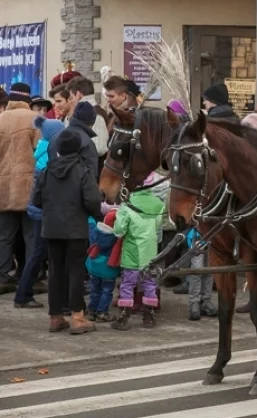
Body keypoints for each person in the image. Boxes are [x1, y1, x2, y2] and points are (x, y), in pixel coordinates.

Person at [33, 129, 102, 334]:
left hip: (51, 229)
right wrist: (96, 214)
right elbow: (92, 201)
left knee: (55, 272)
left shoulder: (46, 171)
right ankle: (78, 317)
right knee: (76, 272)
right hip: (76, 229)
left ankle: (55, 317)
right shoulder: (83, 171)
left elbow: (36, 200)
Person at [14, 115, 65, 309]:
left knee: (38, 253)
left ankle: (23, 295)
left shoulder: (44, 150)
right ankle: (23, 295)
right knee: (37, 254)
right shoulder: (48, 158)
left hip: (37, 211)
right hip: (43, 212)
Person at [111, 174, 166, 330]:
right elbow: (157, 227)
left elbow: (119, 231)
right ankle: (148, 316)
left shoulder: (127, 205)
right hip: (151, 252)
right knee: (149, 283)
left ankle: (124, 317)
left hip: (132, 252)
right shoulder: (158, 204)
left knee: (127, 284)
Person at [0, 84, 40, 291]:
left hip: (4, 188)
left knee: (4, 235)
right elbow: (41, 153)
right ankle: (30, 277)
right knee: (31, 235)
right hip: (29, 187)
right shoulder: (34, 120)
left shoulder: (1, 119)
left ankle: (3, 275)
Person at [48, 101, 100, 178]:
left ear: (74, 117)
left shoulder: (55, 138)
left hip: (52, 187)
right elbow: (91, 176)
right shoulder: (88, 143)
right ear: (92, 122)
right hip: (77, 189)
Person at [85, 209, 120, 322]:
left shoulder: (96, 231)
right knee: (106, 291)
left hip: (94, 266)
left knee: (95, 289)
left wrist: (89, 216)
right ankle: (102, 312)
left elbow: (90, 224)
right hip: (108, 269)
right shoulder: (117, 237)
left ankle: (91, 310)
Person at [65, 76, 109, 159]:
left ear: (78, 95)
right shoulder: (79, 113)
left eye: (71, 97)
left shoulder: (97, 115)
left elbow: (100, 148)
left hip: (91, 169)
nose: (70, 101)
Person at [184, 227, 217, 321]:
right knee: (196, 269)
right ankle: (194, 303)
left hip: (214, 232)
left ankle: (206, 301)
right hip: (197, 234)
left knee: (210, 269)